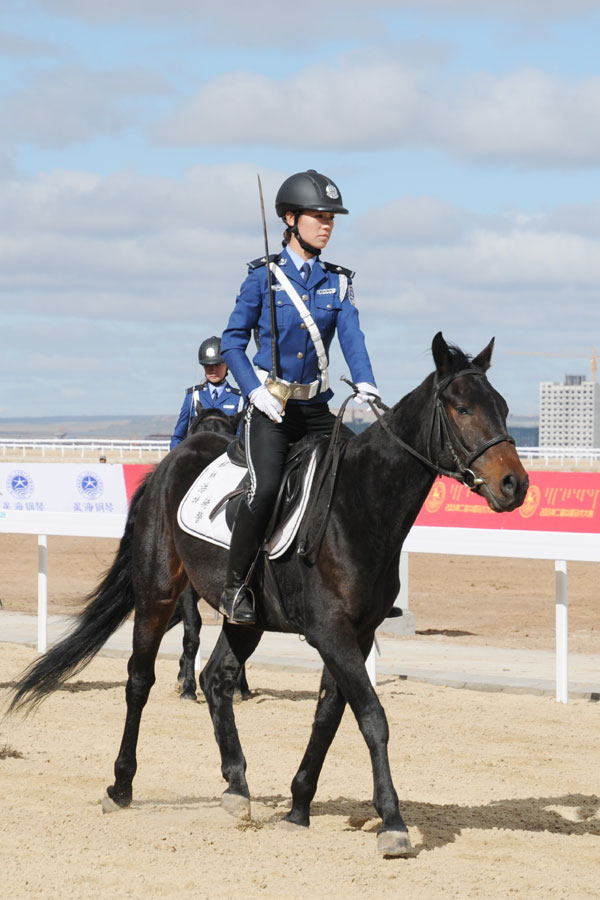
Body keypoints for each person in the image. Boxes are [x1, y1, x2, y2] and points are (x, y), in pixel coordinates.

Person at [219, 168, 380, 625]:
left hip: (315, 409)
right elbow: (232, 342)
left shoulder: (337, 282)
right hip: (270, 409)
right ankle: (235, 589)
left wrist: (366, 381)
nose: (327, 224)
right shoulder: (262, 278)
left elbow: (352, 338)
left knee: (361, 476)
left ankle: (362, 581)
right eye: (318, 216)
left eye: (332, 218)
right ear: (290, 219)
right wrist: (253, 391)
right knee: (265, 488)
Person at [170, 336, 243, 450]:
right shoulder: (193, 396)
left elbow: (240, 440)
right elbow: (178, 437)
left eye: (218, 365)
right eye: (208, 366)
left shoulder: (238, 399)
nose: (212, 370)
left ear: (227, 365)